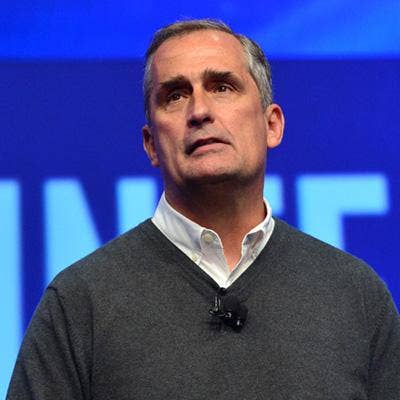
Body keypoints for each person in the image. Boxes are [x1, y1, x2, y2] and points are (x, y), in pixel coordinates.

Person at [7, 19, 400, 399]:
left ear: (272, 125)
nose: (199, 111)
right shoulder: (79, 303)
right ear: (150, 144)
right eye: (175, 95)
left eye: (222, 87)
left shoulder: (355, 294)